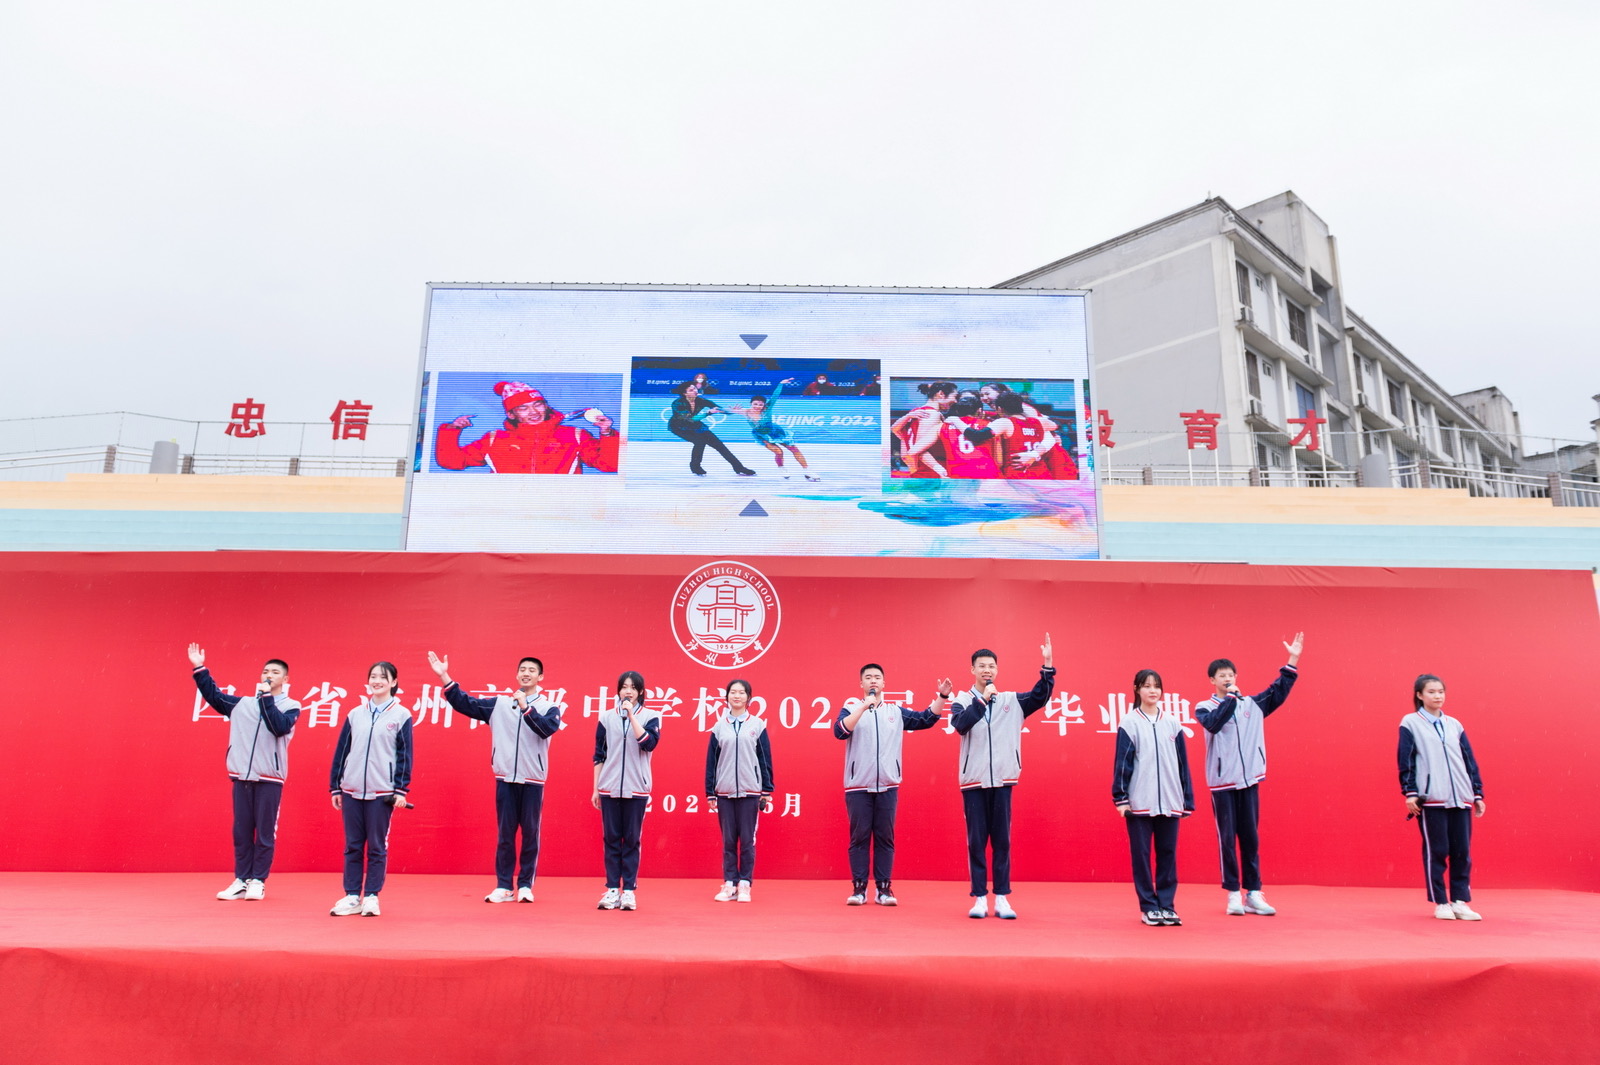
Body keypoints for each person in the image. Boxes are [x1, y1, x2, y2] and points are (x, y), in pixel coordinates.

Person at [429, 651, 563, 904]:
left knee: (530, 834)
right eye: (522, 669)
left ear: (540, 677)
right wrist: (444, 676)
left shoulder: (549, 707)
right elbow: (464, 703)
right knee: (505, 835)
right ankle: (503, 886)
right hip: (505, 779)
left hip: (532, 781)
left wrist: (526, 708)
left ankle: (525, 885)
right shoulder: (500, 704)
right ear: (516, 674)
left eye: (531, 670)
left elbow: (546, 729)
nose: (526, 673)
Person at [1195, 633, 1303, 916]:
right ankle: (1233, 893)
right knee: (1227, 840)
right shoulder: (1205, 707)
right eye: (1222, 675)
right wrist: (1231, 697)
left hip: (1249, 781)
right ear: (1212, 680)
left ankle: (1253, 893)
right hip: (1223, 784)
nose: (1227, 678)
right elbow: (1214, 724)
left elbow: (1278, 691)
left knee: (1250, 838)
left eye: (1231, 674)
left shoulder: (1252, 706)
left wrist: (1292, 660)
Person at [950, 634, 1056, 919]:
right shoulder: (962, 700)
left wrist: (1047, 665)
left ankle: (1001, 898)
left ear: (997, 670)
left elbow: (1040, 696)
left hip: (1003, 781)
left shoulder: (1011, 701)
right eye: (982, 666)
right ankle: (979, 898)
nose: (987, 670)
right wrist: (982, 701)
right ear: (972, 669)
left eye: (991, 666)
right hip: (974, 782)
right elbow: (960, 725)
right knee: (976, 842)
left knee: (1002, 841)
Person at [187, 644, 302, 902]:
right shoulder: (242, 704)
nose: (268, 675)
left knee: (264, 833)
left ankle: (258, 880)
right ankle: (241, 879)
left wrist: (266, 698)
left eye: (275, 672)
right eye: (265, 672)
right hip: (241, 777)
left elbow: (278, 727)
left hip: (269, 778)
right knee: (241, 832)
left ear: (285, 679)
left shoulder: (291, 706)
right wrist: (199, 668)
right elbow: (214, 696)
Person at [832, 663, 946, 905]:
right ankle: (859, 889)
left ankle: (884, 890)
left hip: (888, 786)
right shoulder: (851, 708)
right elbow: (840, 732)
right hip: (858, 787)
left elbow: (926, 719)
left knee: (885, 838)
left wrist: (942, 697)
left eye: (877, 677)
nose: (873, 681)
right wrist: (863, 707)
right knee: (859, 838)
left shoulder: (895, 711)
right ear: (861, 684)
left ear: (884, 683)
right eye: (868, 677)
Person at [328, 661, 413, 917]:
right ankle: (352, 896)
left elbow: (405, 755)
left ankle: (372, 896)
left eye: (383, 677)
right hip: (351, 790)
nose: (377, 681)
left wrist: (400, 789)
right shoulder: (355, 714)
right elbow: (342, 751)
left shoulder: (401, 715)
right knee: (353, 845)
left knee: (377, 846)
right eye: (373, 676)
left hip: (381, 793)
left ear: (394, 682)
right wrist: (336, 787)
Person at [1398, 674, 1486, 920]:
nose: (1437, 696)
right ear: (1419, 695)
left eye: (1441, 692)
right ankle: (1441, 902)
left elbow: (1468, 759)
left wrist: (1477, 793)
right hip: (1432, 798)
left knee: (1462, 852)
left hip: (1461, 797)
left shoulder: (1454, 724)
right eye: (1431, 692)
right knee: (1437, 850)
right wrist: (1410, 792)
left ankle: (1460, 900)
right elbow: (1406, 759)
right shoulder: (1410, 723)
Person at [1112, 669, 1194, 926]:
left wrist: (1186, 799)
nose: (1152, 691)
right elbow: (1122, 763)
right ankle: (1148, 906)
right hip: (1140, 802)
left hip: (1170, 800)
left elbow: (1183, 764)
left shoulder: (1173, 723)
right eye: (1147, 686)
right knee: (1142, 855)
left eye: (1156, 686)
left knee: (1168, 854)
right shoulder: (1130, 722)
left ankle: (1167, 906)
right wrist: (1121, 798)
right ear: (1137, 689)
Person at [435, 380, 618, 474]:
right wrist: (452, 430)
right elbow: (451, 462)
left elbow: (610, 465)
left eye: (538, 405)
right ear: (511, 414)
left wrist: (608, 434)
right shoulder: (494, 439)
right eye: (523, 408)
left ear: (546, 406)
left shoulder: (575, 436)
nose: (533, 412)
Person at [592, 670, 662, 911]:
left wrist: (632, 716)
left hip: (636, 788)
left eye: (633, 687)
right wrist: (596, 788)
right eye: (624, 687)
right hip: (609, 787)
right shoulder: (606, 717)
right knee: (611, 839)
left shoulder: (652, 716)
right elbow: (599, 755)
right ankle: (612, 889)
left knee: (631, 840)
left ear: (640, 692)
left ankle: (629, 890)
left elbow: (648, 744)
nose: (628, 691)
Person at [705, 678, 773, 902]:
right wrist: (710, 791)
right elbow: (712, 762)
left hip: (750, 792)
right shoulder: (719, 727)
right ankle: (729, 884)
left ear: (748, 697)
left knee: (747, 840)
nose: (737, 696)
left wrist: (766, 790)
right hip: (725, 793)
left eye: (741, 692)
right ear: (727, 697)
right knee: (728, 841)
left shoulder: (757, 725)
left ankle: (744, 884)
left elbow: (764, 759)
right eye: (733, 692)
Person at [737, 378, 820, 481]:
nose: (758, 406)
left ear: (764, 405)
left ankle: (807, 470)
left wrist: (780, 384)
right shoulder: (745, 411)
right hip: (762, 435)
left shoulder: (767, 409)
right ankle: (781, 467)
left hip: (775, 431)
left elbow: (775, 396)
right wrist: (718, 411)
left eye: (760, 404)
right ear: (751, 403)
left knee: (794, 449)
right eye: (755, 404)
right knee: (779, 452)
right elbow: (726, 410)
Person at [668, 381, 756, 477]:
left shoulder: (701, 400)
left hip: (695, 425)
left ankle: (739, 467)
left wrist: (732, 410)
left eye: (695, 388)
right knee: (699, 442)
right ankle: (695, 466)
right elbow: (691, 419)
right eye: (691, 390)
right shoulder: (677, 404)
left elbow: (719, 409)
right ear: (685, 393)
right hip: (679, 427)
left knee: (719, 445)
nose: (695, 391)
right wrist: (708, 413)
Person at [890, 381, 957, 477]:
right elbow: (919, 449)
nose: (955, 401)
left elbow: (897, 432)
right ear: (941, 394)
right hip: (929, 471)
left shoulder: (915, 412)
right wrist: (940, 470)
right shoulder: (932, 415)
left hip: (919, 470)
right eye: (955, 397)